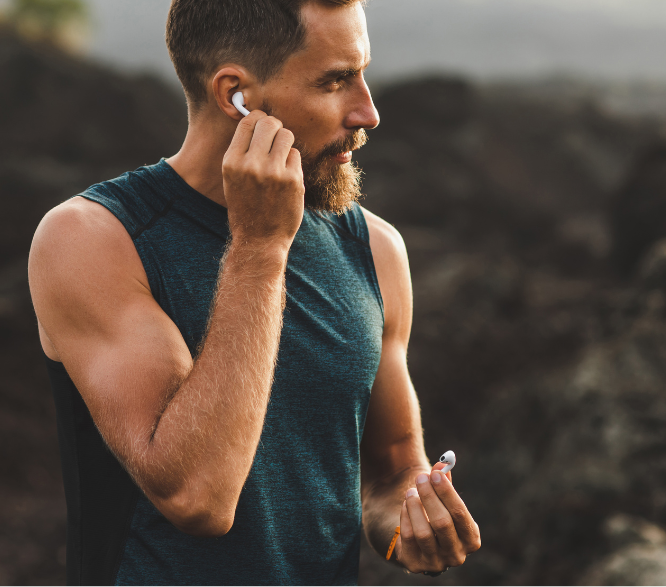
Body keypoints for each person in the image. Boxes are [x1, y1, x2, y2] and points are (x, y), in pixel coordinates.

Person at [28, 0, 481, 584]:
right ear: (235, 95)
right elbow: (198, 497)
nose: (367, 112)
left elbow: (393, 467)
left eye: (362, 74)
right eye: (336, 81)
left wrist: (410, 520)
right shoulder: (92, 240)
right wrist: (260, 247)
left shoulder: (376, 248)